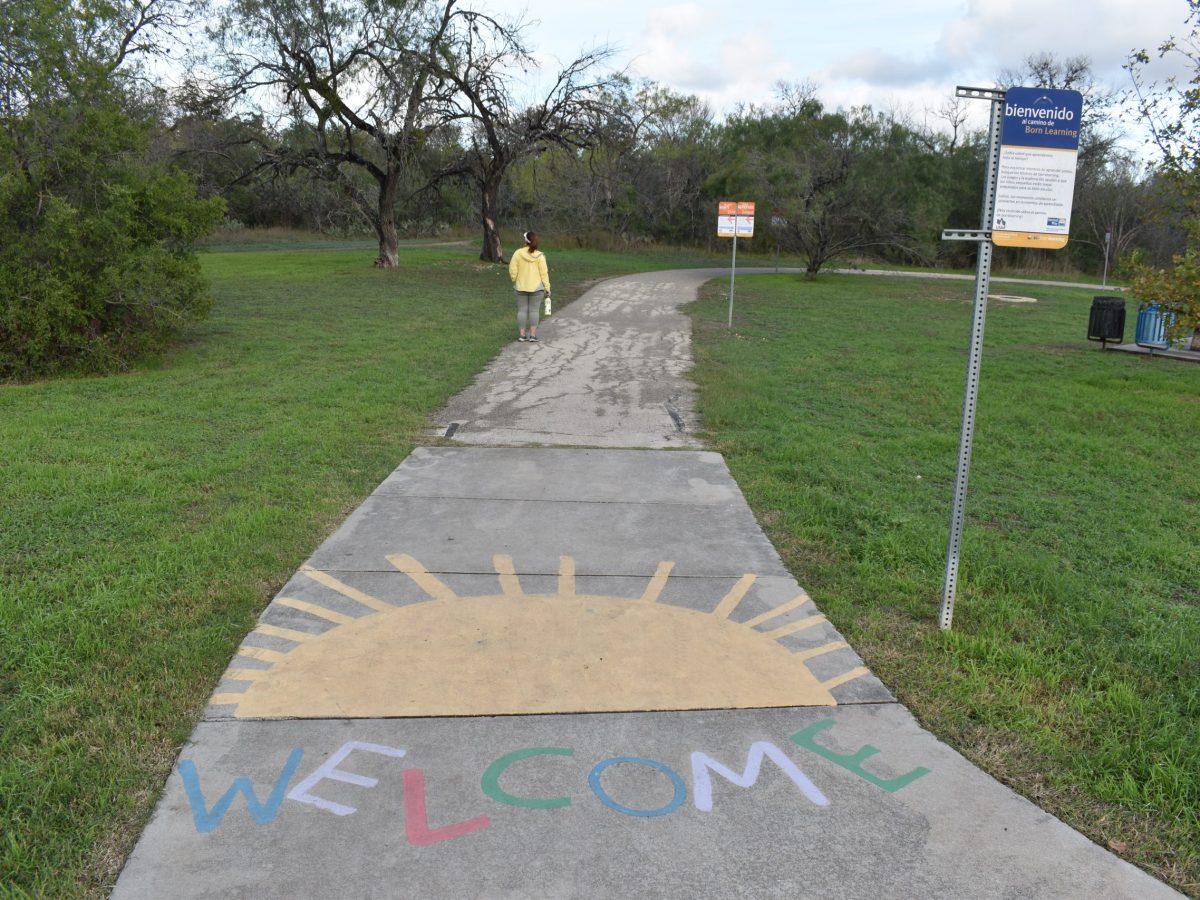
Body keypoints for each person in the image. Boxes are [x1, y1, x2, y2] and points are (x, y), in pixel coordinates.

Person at [508, 230, 551, 342]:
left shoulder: (518, 253)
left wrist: (515, 279)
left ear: (525, 241)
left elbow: (513, 269)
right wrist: (547, 288)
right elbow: (544, 273)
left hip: (520, 286)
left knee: (522, 311)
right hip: (537, 288)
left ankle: (522, 336)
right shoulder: (540, 256)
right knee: (534, 311)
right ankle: (532, 335)